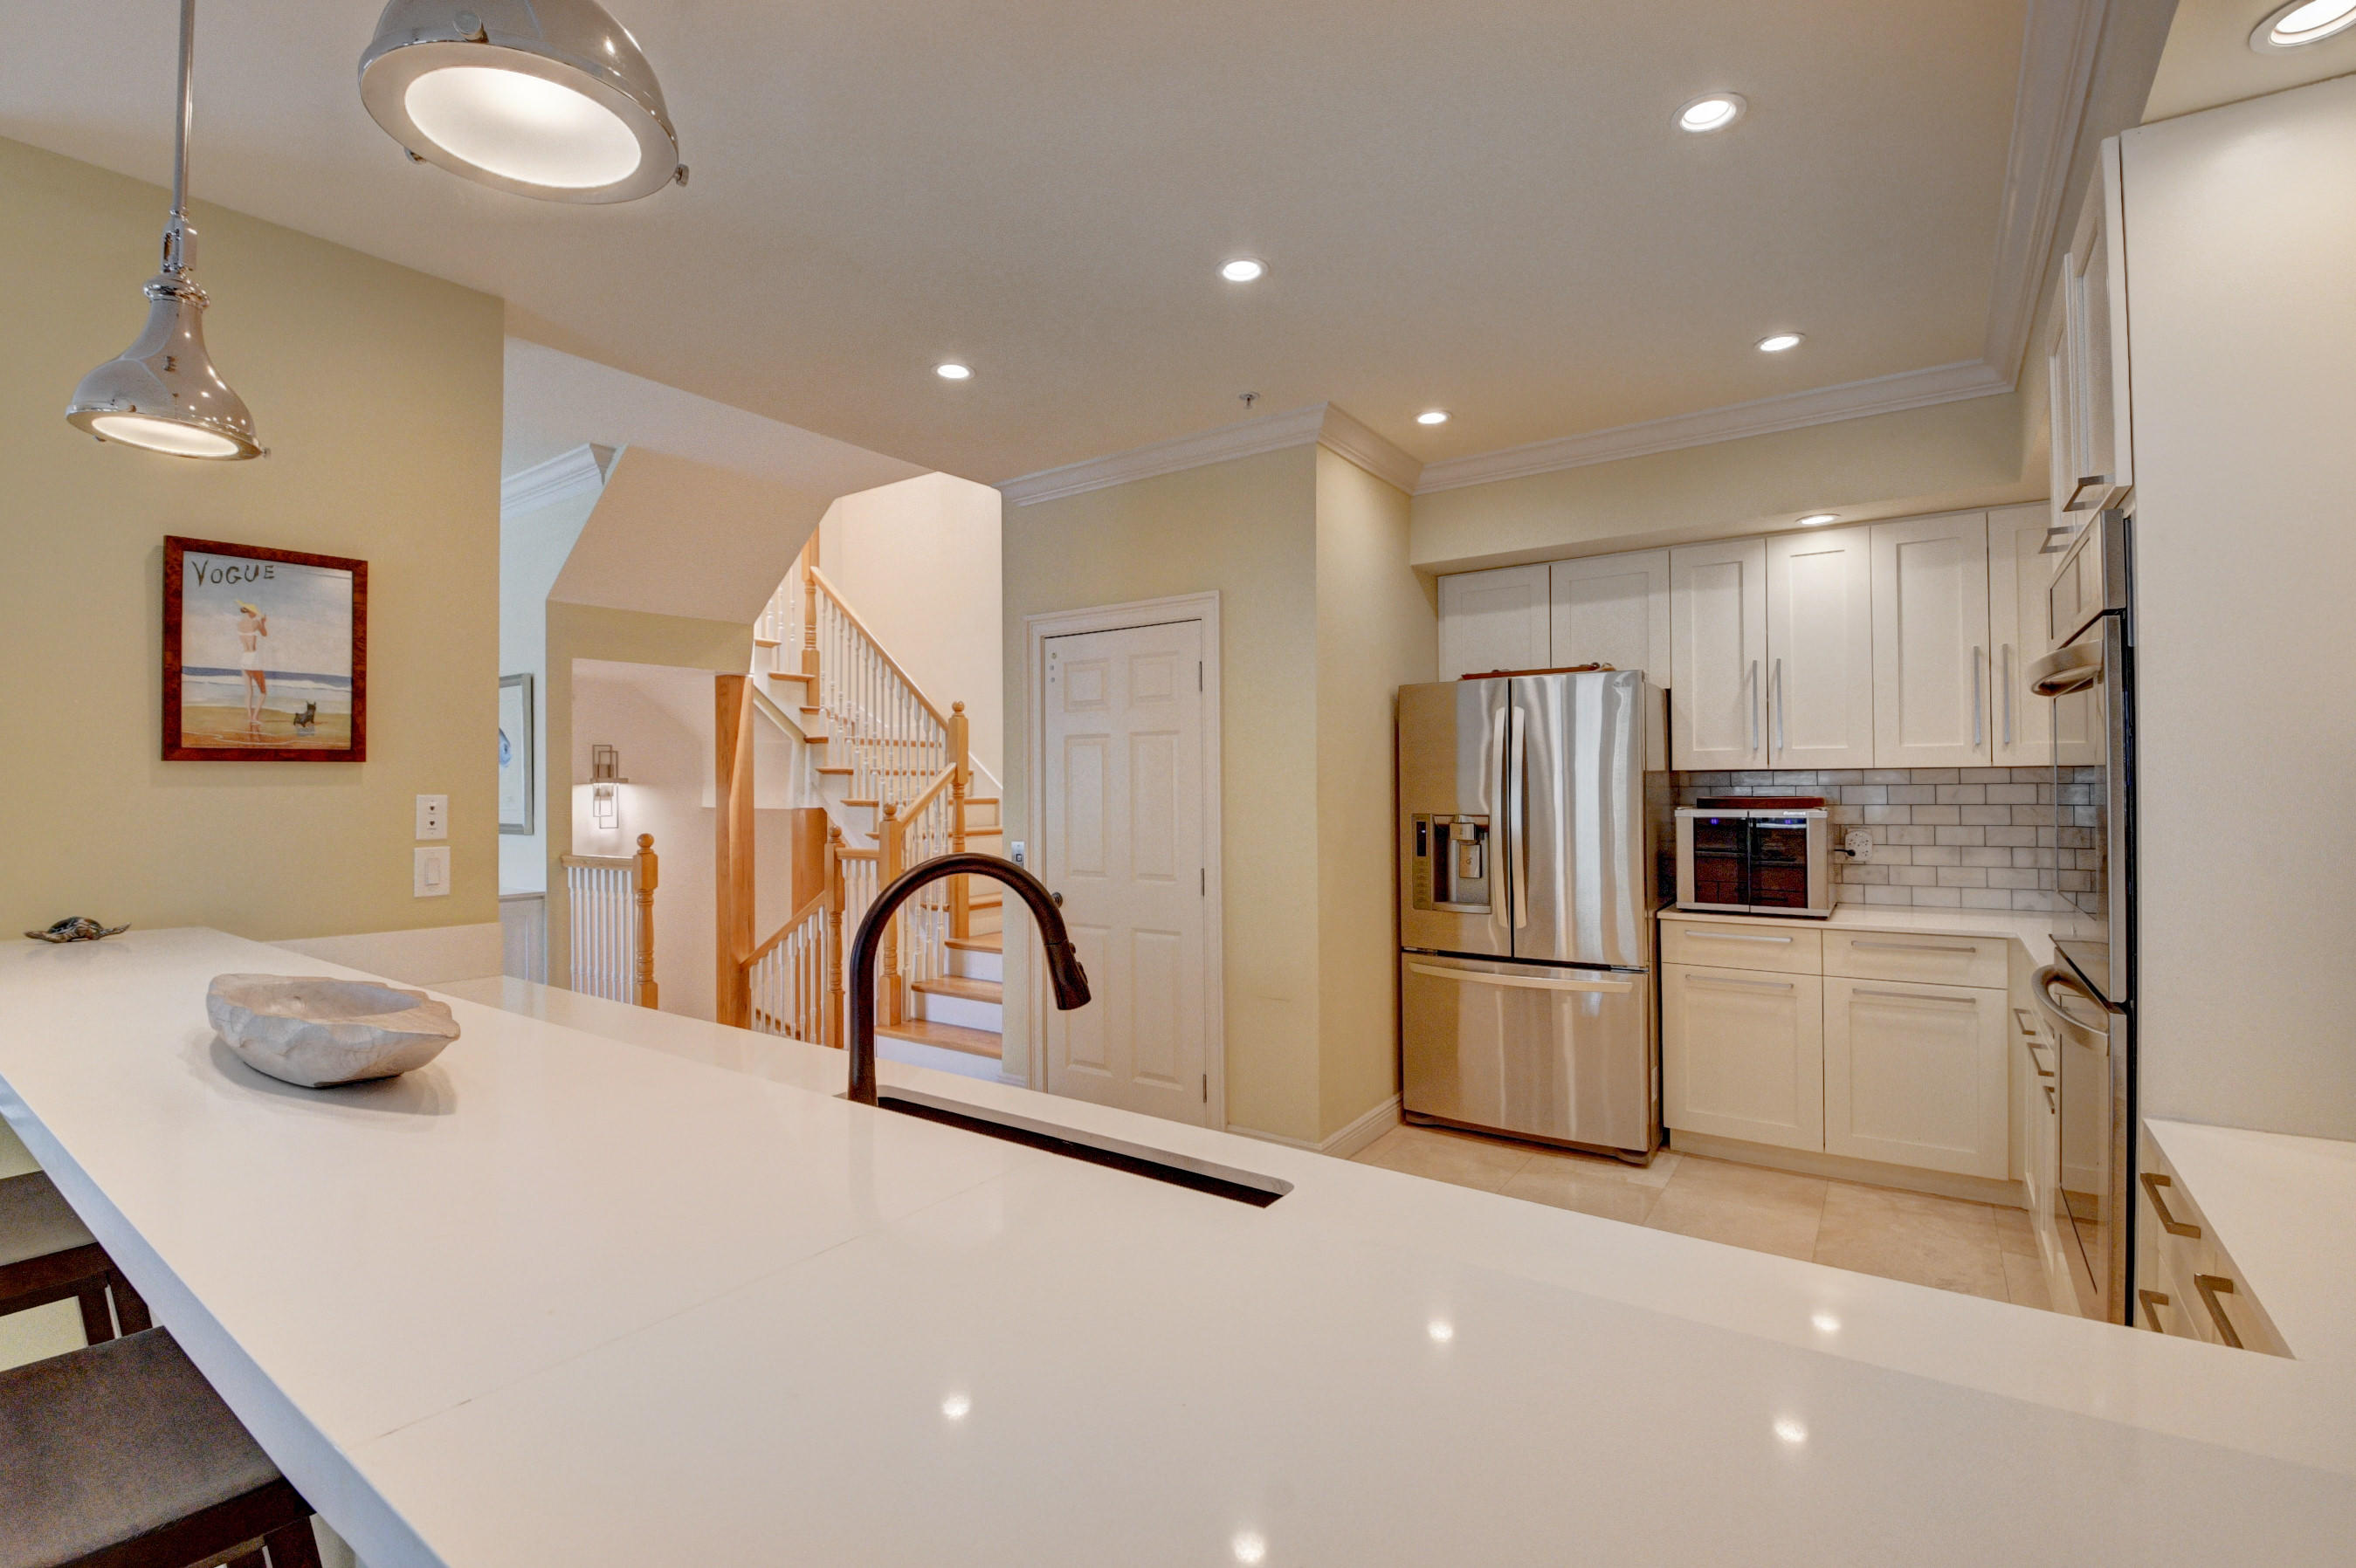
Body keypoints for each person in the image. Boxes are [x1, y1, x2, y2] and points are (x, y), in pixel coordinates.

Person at [236, 601, 268, 738]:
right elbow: (265, 634)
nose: (256, 613)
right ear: (250, 611)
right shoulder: (255, 622)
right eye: (254, 611)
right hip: (253, 658)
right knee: (263, 692)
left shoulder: (239, 624)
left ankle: (250, 716)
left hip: (244, 658)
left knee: (249, 691)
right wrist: (263, 622)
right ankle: (255, 717)